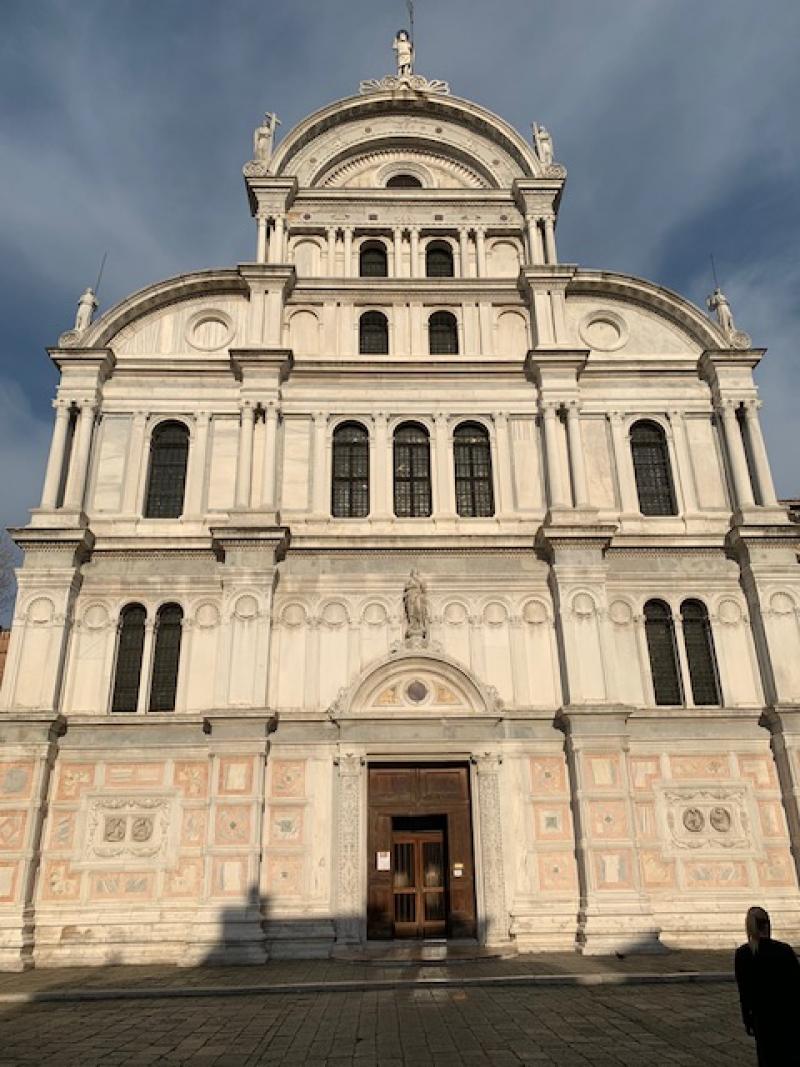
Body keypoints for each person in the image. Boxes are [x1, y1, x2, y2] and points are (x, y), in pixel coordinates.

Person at [734, 906, 800, 1065]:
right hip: (788, 1014)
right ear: (768, 924)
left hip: (762, 1016)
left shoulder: (743, 954)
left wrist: (747, 1019)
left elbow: (744, 991)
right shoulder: (784, 950)